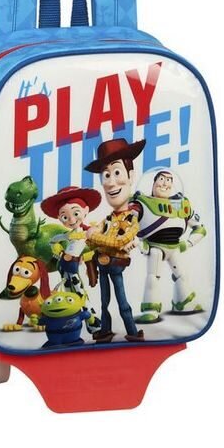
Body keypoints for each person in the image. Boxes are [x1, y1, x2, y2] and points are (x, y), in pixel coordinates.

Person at [84, 138, 146, 343]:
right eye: (106, 175)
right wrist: (94, 238)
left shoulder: (132, 218)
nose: (111, 182)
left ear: (131, 175)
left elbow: (120, 241)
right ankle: (106, 330)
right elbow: (89, 242)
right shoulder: (108, 219)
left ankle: (132, 331)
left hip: (115, 264)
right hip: (102, 265)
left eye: (117, 172)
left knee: (122, 301)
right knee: (104, 302)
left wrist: (95, 236)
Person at [131, 169, 207, 323]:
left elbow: (200, 228)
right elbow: (126, 226)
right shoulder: (140, 204)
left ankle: (183, 303)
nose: (165, 183)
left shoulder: (181, 205)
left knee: (182, 276)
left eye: (169, 180)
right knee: (153, 278)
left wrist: (188, 244)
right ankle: (150, 309)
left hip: (175, 248)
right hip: (155, 248)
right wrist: (138, 243)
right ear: (153, 182)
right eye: (161, 179)